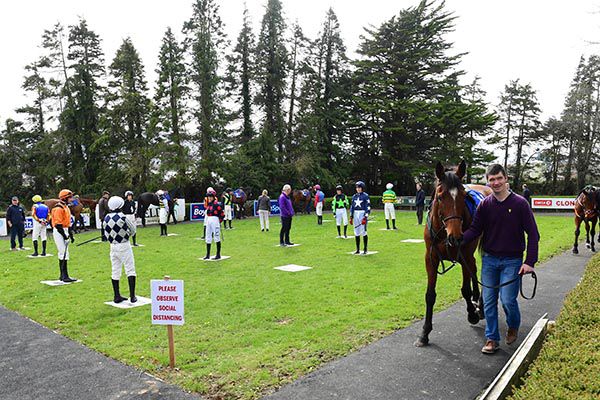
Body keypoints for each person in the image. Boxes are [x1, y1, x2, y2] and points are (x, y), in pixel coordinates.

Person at [461, 164, 539, 354]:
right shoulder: (485, 205)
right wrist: (457, 240)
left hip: (512, 261)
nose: (495, 183)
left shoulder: (520, 204)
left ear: (506, 179)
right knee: (487, 301)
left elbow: (533, 234)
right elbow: (475, 230)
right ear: (488, 181)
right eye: (492, 179)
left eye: (499, 179)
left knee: (507, 300)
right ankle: (492, 338)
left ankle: (513, 326)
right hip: (489, 260)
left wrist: (529, 262)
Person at [104, 196, 137, 303]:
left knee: (115, 270)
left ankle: (116, 296)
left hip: (112, 246)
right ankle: (132, 296)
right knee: (130, 269)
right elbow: (133, 229)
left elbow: (105, 233)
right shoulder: (123, 216)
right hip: (124, 245)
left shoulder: (106, 217)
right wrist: (126, 234)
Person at [51, 189, 77, 282]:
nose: (71, 199)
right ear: (65, 198)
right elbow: (58, 225)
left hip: (64, 229)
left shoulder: (66, 207)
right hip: (59, 231)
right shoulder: (58, 208)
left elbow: (68, 223)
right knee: (63, 253)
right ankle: (64, 276)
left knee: (65, 253)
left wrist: (70, 234)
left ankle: (64, 275)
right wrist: (65, 236)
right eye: (70, 197)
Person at [350, 181, 371, 254]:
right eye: (357, 188)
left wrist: (365, 216)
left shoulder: (365, 196)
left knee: (363, 231)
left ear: (362, 188)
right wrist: (351, 216)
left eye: (359, 187)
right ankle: (358, 249)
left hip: (362, 213)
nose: (358, 189)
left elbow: (368, 207)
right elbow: (352, 207)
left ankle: (365, 249)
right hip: (356, 213)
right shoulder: (354, 196)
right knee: (356, 231)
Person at [203, 190, 225, 260]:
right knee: (208, 236)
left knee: (216, 236)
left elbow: (222, 214)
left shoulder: (216, 205)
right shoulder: (209, 205)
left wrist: (219, 221)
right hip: (209, 220)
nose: (209, 198)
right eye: (208, 197)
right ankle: (208, 254)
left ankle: (218, 254)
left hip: (215, 220)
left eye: (210, 197)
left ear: (213, 197)